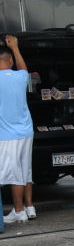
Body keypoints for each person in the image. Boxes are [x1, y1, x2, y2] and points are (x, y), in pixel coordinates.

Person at [1, 35, 35, 224]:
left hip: (7, 136)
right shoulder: (20, 77)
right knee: (25, 171)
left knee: (14, 175)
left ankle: (19, 211)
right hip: (26, 132)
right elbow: (24, 68)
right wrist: (15, 47)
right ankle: (29, 207)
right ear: (10, 61)